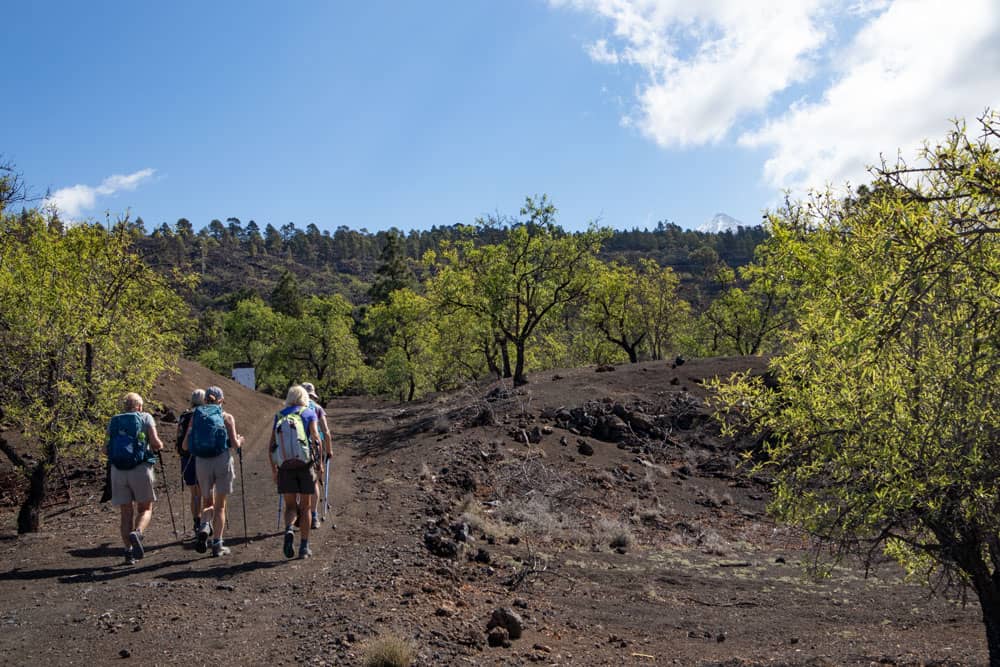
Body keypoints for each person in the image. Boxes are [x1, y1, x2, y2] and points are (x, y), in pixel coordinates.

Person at [182, 385, 244, 557]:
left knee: (207, 502)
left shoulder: (196, 415)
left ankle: (203, 527)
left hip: (202, 462)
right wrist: (240, 440)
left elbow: (185, 445)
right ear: (221, 400)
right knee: (220, 506)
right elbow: (234, 444)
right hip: (222, 460)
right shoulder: (226, 417)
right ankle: (218, 543)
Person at [106, 392, 165, 565]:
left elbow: (105, 449)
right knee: (145, 508)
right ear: (139, 406)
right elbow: (155, 443)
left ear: (124, 406)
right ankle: (137, 532)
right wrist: (159, 446)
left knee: (125, 512)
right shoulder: (145, 417)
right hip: (140, 469)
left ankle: (128, 552)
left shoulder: (114, 421)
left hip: (118, 471)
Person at [270, 384, 324, 559]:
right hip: (305, 465)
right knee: (306, 506)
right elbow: (316, 439)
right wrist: (320, 463)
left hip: (285, 467)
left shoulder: (279, 415)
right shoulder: (309, 413)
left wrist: (274, 469)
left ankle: (288, 529)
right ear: (304, 398)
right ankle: (304, 547)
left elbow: (271, 446)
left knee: (290, 506)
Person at [176, 388, 209, 536]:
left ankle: (196, 521)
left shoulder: (184, 415)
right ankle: (204, 524)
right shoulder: (205, 414)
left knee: (194, 493)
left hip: (186, 457)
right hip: (202, 457)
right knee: (205, 492)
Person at [301, 382, 332, 529]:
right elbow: (326, 431)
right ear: (312, 395)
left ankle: (300, 514)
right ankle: (313, 516)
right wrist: (329, 450)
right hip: (314, 448)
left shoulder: (292, 409)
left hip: (295, 449)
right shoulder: (318, 408)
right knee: (313, 483)